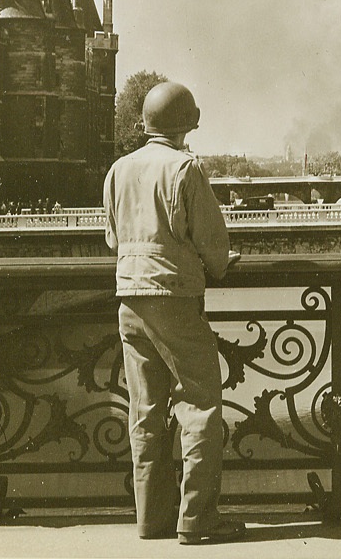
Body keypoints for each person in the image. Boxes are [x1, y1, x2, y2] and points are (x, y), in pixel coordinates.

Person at [103, 81, 245, 546]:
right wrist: (220, 265)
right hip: (175, 297)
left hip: (129, 298)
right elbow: (214, 246)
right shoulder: (186, 168)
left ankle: (151, 519)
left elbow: (112, 240)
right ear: (188, 123)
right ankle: (197, 518)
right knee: (199, 404)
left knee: (144, 411)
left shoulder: (118, 169)